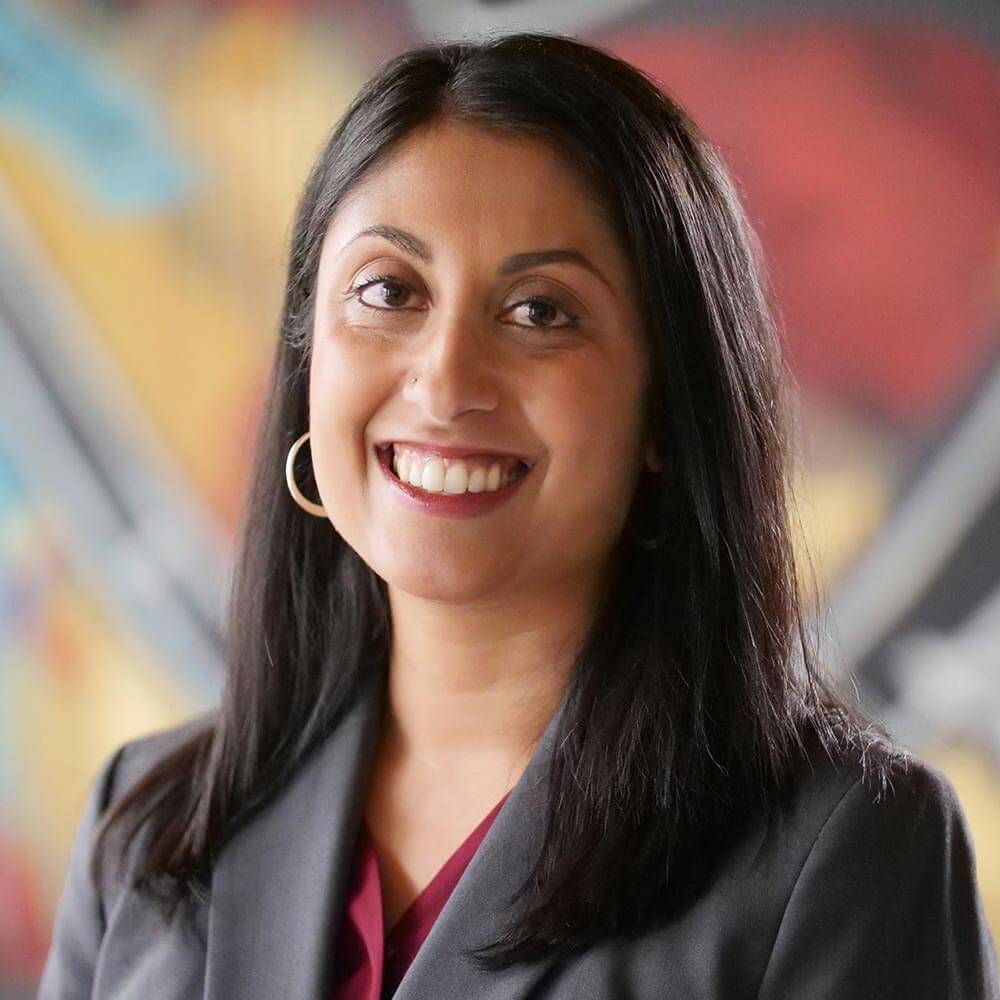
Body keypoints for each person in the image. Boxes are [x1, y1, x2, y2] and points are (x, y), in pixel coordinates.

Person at [38, 30, 998, 1000]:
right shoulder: (147, 828)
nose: (446, 379)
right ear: (307, 365)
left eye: (540, 311)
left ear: (666, 406)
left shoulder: (844, 852)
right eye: (388, 291)